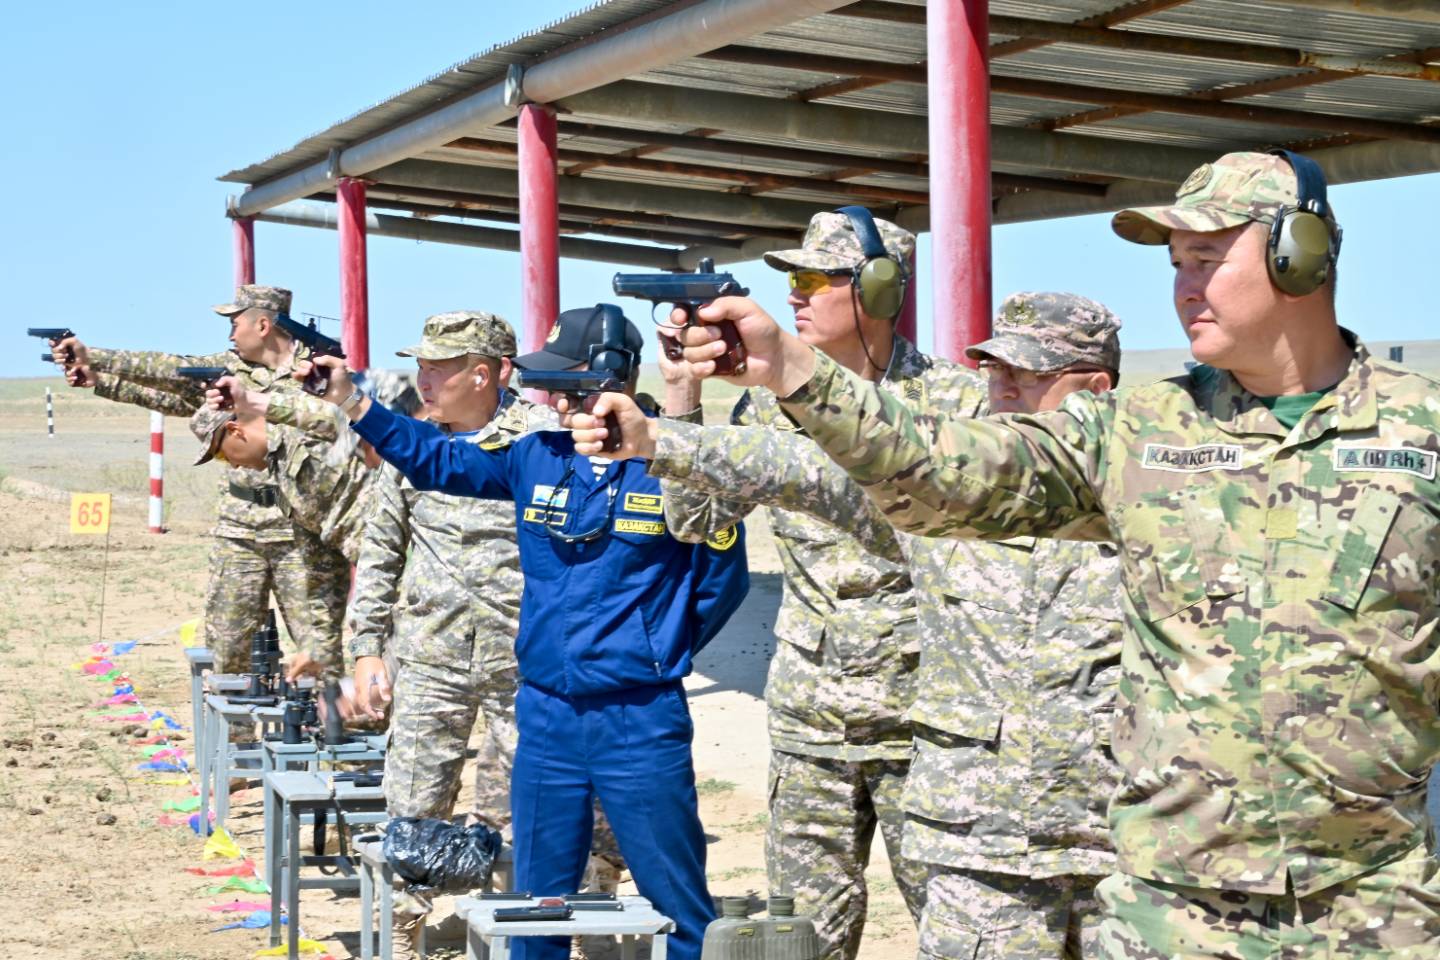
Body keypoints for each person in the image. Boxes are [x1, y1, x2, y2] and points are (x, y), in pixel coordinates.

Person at [614, 150, 1440, 958]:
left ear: (1303, 257)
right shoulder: (1142, 430)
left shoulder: (1422, 432)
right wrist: (791, 372)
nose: (1186, 284)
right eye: (1177, 262)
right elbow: (940, 469)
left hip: (1375, 907)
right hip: (1170, 911)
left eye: (1210, 257)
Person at [595, 292, 1127, 959]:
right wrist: (658, 437)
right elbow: (807, 469)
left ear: (1097, 390)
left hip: (1118, 844)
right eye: (994, 371)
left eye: (1029, 376)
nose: (1002, 389)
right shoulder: (946, 496)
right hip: (982, 848)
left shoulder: (1151, 493)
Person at [303, 304, 750, 960]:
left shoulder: (675, 464)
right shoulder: (537, 456)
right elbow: (435, 461)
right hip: (546, 717)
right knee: (537, 904)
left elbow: (721, 580)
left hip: (638, 716)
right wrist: (351, 400)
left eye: (561, 383)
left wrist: (654, 645)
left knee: (675, 901)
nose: (547, 397)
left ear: (601, 381)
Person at [649, 210, 960, 959]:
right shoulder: (767, 404)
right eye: (792, 278)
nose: (797, 295)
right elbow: (695, 521)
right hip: (811, 718)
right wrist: (683, 398)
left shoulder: (956, 401)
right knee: (803, 939)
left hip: (923, 713)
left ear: (881, 291)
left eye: (819, 279)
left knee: (954, 929)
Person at [52, 285, 349, 682]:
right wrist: (99, 372)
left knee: (319, 652)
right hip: (239, 530)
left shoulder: (319, 374)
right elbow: (171, 375)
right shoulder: (229, 370)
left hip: (302, 533)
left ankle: (328, 735)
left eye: (235, 323)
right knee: (229, 650)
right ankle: (236, 742)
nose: (230, 334)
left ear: (263, 324)